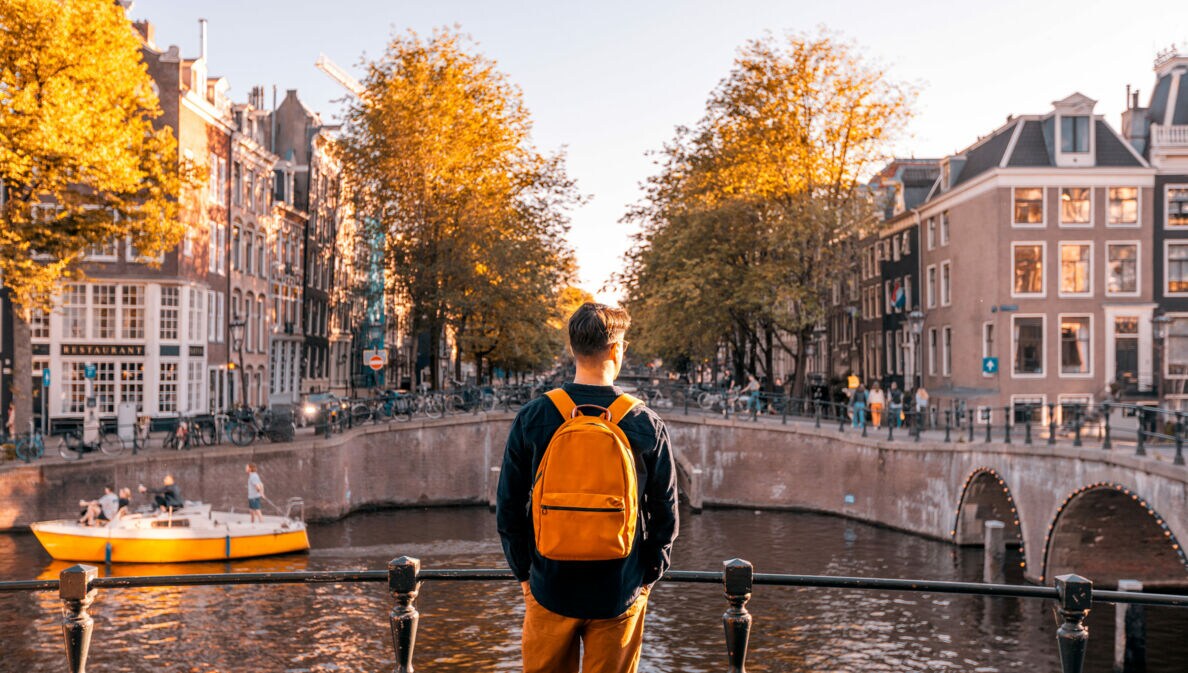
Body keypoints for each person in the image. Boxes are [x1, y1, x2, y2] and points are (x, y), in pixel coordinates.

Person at [497, 302, 679, 673]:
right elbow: (665, 512)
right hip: (618, 590)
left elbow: (509, 506)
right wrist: (645, 579)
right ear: (616, 350)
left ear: (572, 348)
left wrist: (525, 575)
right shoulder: (645, 423)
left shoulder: (534, 417)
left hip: (549, 587)